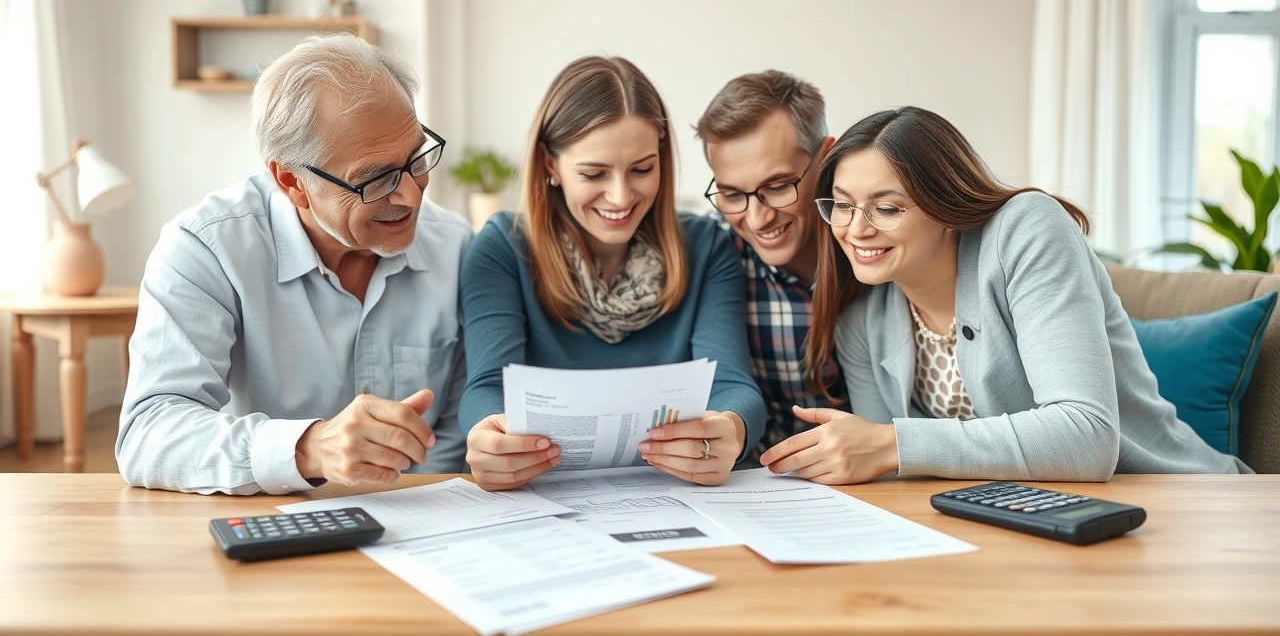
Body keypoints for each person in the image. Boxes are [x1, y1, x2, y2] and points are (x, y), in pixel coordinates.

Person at [760, 106, 1250, 483]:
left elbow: (1087, 437)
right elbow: (887, 472)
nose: (855, 230)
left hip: (1176, 506)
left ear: (946, 208)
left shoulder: (1027, 228)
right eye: (841, 206)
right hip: (1030, 522)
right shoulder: (863, 319)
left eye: (886, 208)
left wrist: (893, 445)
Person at [116, 33, 472, 495]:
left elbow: (455, 439)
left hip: (425, 531)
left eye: (416, 158)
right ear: (292, 181)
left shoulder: (456, 246)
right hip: (268, 530)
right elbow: (148, 434)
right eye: (376, 178)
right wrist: (309, 447)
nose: (412, 193)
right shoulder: (206, 250)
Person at [459, 55, 765, 491]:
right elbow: (487, 387)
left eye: (642, 169)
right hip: (544, 500)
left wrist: (731, 430)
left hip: (675, 497)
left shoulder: (706, 246)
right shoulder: (503, 248)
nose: (620, 197)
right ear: (550, 164)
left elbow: (734, 387)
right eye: (594, 173)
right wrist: (485, 435)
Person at [695, 70, 848, 459]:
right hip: (755, 484)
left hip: (874, 483)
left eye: (778, 186)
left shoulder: (872, 242)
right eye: (731, 194)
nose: (758, 218)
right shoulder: (713, 252)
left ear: (827, 156)